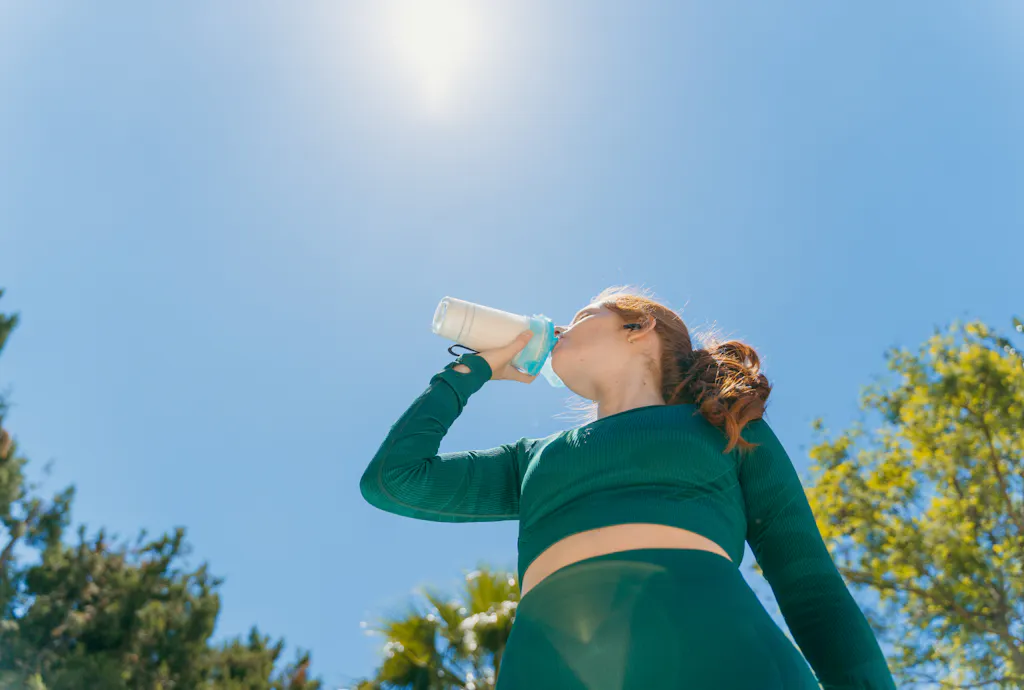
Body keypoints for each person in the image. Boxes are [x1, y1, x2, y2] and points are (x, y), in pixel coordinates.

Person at [360, 286, 897, 689]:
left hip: (725, 653)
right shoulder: (533, 458)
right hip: (547, 668)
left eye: (583, 316)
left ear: (638, 329)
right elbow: (393, 480)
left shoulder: (727, 425)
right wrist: (467, 374)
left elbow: (810, 586)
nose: (563, 329)